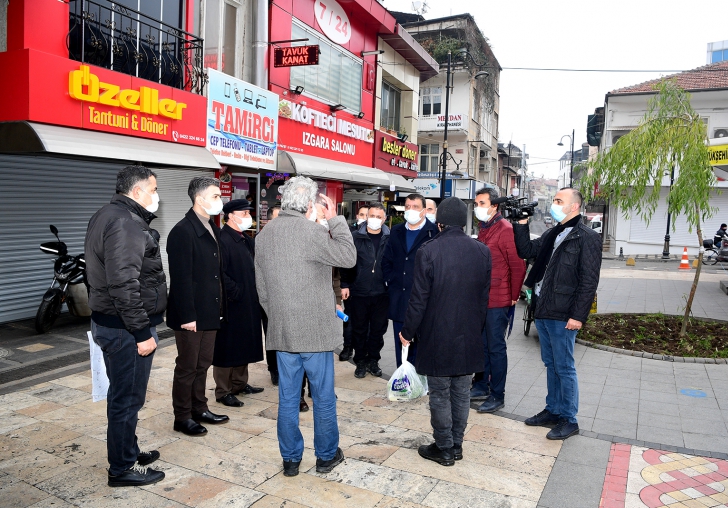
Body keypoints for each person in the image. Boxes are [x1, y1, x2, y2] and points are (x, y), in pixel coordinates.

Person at [255, 176, 356, 477]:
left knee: (287, 398)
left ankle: (290, 460)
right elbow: (348, 257)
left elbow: (262, 290)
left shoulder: (263, 235)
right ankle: (326, 456)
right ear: (312, 204)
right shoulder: (313, 233)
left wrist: (280, 315)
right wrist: (335, 217)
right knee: (323, 397)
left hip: (284, 332)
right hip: (315, 334)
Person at [85, 165, 166, 487]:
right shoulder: (126, 223)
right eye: (154, 189)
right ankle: (120, 469)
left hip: (114, 323)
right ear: (137, 192)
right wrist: (141, 332)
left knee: (125, 396)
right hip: (124, 328)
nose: (156, 196)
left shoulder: (107, 214)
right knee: (126, 399)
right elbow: (123, 284)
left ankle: (128, 450)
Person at [399, 197, 491, 466]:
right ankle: (457, 445)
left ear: (439, 222)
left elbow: (419, 298)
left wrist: (408, 330)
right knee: (462, 392)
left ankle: (444, 447)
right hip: (469, 333)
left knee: (439, 393)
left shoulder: (428, 251)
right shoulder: (482, 251)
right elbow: (483, 298)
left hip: (437, 334)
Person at [513, 188, 602, 440]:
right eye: (554, 200)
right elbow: (526, 251)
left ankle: (569, 419)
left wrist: (578, 316)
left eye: (558, 201)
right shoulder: (552, 233)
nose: (554, 204)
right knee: (551, 364)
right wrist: (521, 223)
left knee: (564, 366)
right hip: (543, 308)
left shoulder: (587, 238)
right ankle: (553, 410)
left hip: (564, 313)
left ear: (574, 207)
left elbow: (588, 281)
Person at [166, 176, 229, 436]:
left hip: (209, 309)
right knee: (187, 366)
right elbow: (181, 279)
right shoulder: (183, 231)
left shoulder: (211, 227)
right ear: (199, 199)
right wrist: (187, 316)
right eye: (215, 196)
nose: (220, 201)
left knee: (203, 363)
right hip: (191, 314)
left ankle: (199, 408)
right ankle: (182, 416)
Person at [470, 187, 527, 413]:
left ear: (494, 206)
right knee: (482, 345)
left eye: (482, 203)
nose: (477, 208)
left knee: (495, 348)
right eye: (476, 203)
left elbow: (518, 264)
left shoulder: (504, 228)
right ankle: (481, 384)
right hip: (483, 298)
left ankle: (497, 394)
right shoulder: (485, 228)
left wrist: (513, 296)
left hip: (499, 299)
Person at [212, 199, 264, 409]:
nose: (248, 217)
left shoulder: (245, 239)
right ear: (231, 216)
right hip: (231, 302)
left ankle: (240, 384)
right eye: (244, 214)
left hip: (249, 301)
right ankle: (223, 390)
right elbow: (219, 273)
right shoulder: (222, 239)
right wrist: (237, 291)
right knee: (227, 346)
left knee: (244, 343)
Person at [382, 193, 438, 367]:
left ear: (423, 211)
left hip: (423, 299)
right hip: (399, 296)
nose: (410, 210)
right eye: (407, 207)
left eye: (415, 207)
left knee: (423, 343)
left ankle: (420, 378)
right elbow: (387, 260)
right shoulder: (396, 231)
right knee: (401, 341)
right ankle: (403, 379)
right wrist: (390, 280)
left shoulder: (433, 232)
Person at [341, 203, 390, 378]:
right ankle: (360, 361)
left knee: (378, 330)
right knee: (359, 329)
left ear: (384, 219)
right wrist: (345, 284)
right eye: (372, 216)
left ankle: (373, 360)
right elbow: (346, 262)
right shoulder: (355, 237)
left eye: (379, 216)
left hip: (382, 293)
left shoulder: (390, 238)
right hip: (359, 291)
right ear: (366, 217)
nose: (375, 219)